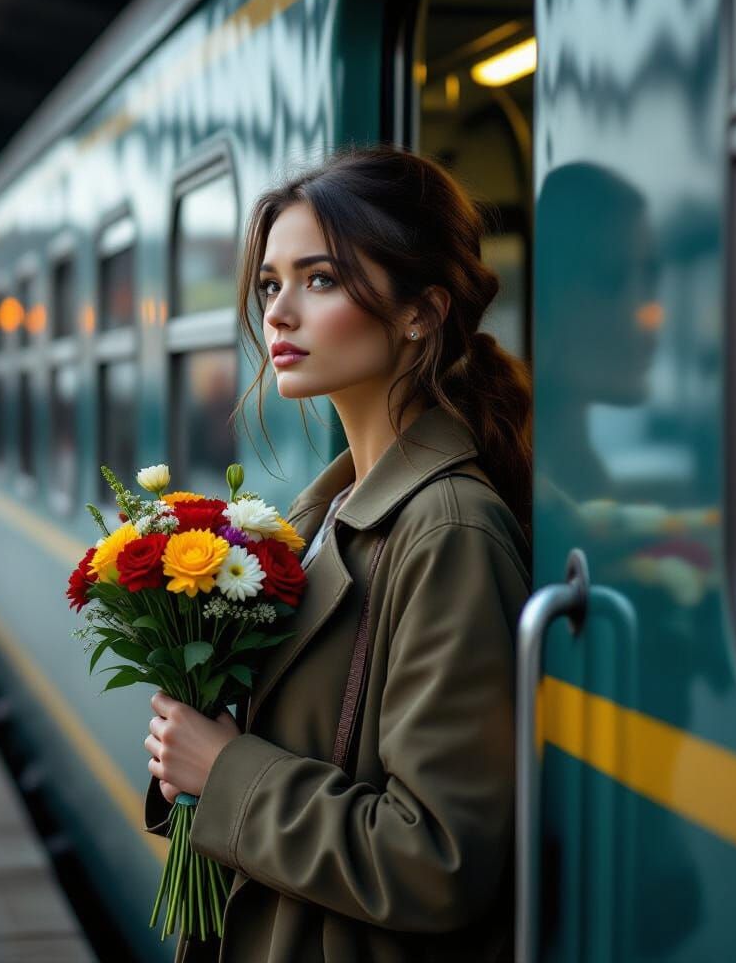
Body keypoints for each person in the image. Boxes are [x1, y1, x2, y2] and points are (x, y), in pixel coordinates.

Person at [143, 146, 532, 963]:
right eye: (271, 285)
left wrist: (226, 772)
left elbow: (438, 860)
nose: (279, 314)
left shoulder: (446, 530)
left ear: (421, 311)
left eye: (319, 280)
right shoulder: (330, 511)